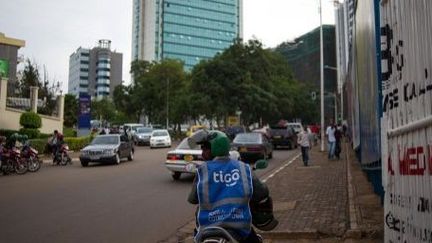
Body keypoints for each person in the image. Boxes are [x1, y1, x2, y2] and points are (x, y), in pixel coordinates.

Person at [187, 130, 277, 243]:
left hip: (207, 228)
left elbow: (193, 199)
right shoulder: (243, 168)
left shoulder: (203, 170)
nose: (202, 153)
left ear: (215, 148)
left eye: (205, 149)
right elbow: (261, 193)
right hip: (239, 229)